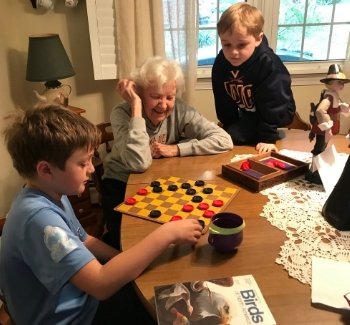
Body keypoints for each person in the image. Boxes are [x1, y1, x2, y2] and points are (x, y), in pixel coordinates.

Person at [0, 106, 203, 325]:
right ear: (46, 170)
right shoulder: (39, 219)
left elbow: (85, 240)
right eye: (82, 163)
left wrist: (130, 261)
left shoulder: (51, 192)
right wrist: (167, 233)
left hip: (82, 300)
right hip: (73, 318)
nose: (91, 169)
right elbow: (100, 284)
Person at [101, 56, 233, 249]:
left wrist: (177, 149)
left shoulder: (179, 109)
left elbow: (224, 140)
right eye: (155, 97)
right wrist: (136, 107)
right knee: (127, 242)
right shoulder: (121, 113)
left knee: (181, 234)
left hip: (159, 180)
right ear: (139, 92)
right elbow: (138, 163)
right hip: (120, 182)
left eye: (169, 97)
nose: (163, 105)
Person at [211, 3, 296, 154]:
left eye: (241, 45)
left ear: (258, 39)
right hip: (250, 112)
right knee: (230, 136)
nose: (233, 52)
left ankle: (262, 130)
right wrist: (228, 123)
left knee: (239, 135)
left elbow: (275, 101)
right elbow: (222, 96)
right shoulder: (221, 63)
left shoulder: (268, 63)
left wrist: (268, 138)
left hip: (279, 111)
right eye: (227, 45)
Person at [306, 64, 350, 183]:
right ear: (330, 82)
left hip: (328, 128)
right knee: (319, 148)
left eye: (342, 83)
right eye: (339, 82)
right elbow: (320, 110)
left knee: (322, 147)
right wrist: (327, 126)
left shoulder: (335, 96)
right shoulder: (329, 97)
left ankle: (316, 170)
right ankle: (314, 172)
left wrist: (343, 107)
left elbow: (336, 108)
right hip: (324, 129)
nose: (342, 85)